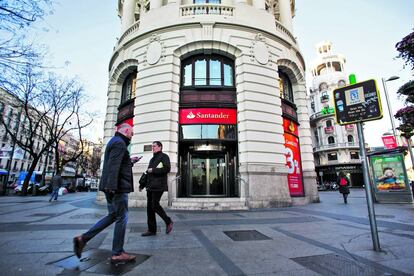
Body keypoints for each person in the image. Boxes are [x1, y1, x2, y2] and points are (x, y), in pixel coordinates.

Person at [73, 123, 141, 263]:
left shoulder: (115, 141)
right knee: (122, 217)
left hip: (112, 186)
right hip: (117, 187)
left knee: (113, 216)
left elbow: (117, 163)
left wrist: (130, 161)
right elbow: (113, 166)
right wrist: (112, 187)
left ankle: (83, 238)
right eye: (132, 133)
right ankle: (118, 253)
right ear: (126, 131)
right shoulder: (120, 143)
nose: (132, 135)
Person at [139, 141, 173, 237]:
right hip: (150, 186)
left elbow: (167, 169)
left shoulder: (164, 157)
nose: (152, 148)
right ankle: (152, 230)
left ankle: (168, 221)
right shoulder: (152, 159)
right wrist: (142, 184)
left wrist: (154, 170)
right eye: (152, 146)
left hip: (159, 186)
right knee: (150, 208)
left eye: (154, 146)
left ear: (160, 147)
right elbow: (148, 172)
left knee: (154, 205)